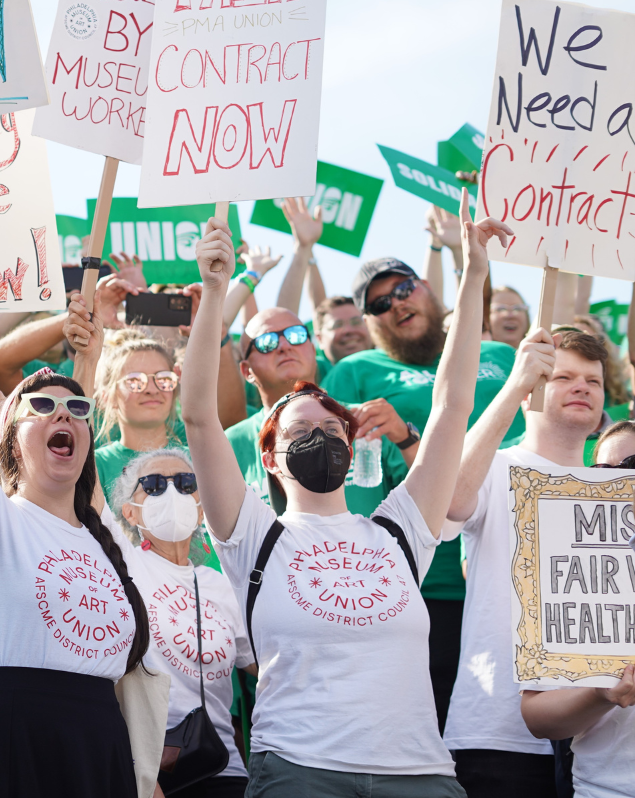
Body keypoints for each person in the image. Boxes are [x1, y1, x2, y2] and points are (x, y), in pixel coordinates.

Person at [182, 194, 508, 795]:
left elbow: (452, 404)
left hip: (420, 776)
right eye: (302, 431)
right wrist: (216, 292)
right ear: (269, 457)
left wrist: (475, 275)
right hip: (301, 773)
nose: (322, 437)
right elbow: (199, 414)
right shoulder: (254, 534)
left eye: (332, 428)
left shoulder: (400, 529)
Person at [0, 193, 162, 797]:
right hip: (7, 739)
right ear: (8, 436)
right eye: (42, 406)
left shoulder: (105, 539)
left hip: (96, 743)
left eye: (77, 409)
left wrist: (93, 348)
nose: (65, 414)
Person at [324, 254, 525, 732]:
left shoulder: (497, 355)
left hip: (515, 574)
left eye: (404, 288)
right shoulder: (355, 373)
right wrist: (402, 439)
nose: (396, 304)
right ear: (370, 322)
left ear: (429, 288)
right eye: (378, 304)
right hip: (425, 591)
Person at [442, 326, 597, 797]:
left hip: (593, 736)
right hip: (495, 729)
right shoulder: (496, 465)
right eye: (563, 376)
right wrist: (514, 385)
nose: (581, 387)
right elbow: (447, 502)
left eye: (593, 380)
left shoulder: (613, 490)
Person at [110, 448, 254, 798]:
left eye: (187, 483)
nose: (173, 492)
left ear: (202, 507)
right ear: (129, 512)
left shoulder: (220, 584)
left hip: (223, 765)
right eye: (154, 485)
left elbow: (266, 667)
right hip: (147, 768)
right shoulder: (122, 565)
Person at [518, 422, 635, 798]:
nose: (617, 481)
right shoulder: (563, 571)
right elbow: (537, 718)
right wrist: (599, 694)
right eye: (602, 472)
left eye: (632, 464)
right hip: (606, 789)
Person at [225, 307, 413, 517]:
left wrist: (406, 439)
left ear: (314, 350)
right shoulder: (229, 445)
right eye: (266, 342)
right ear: (246, 371)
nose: (285, 346)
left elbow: (436, 504)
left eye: (296, 335)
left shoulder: (367, 420)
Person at [90, 331, 181, 494]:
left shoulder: (196, 460)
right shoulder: (95, 465)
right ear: (107, 397)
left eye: (163, 379)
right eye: (135, 381)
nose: (152, 390)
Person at [314, 296, 373, 365]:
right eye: (337, 325)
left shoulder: (388, 362)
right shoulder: (317, 372)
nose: (348, 330)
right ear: (320, 339)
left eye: (356, 322)